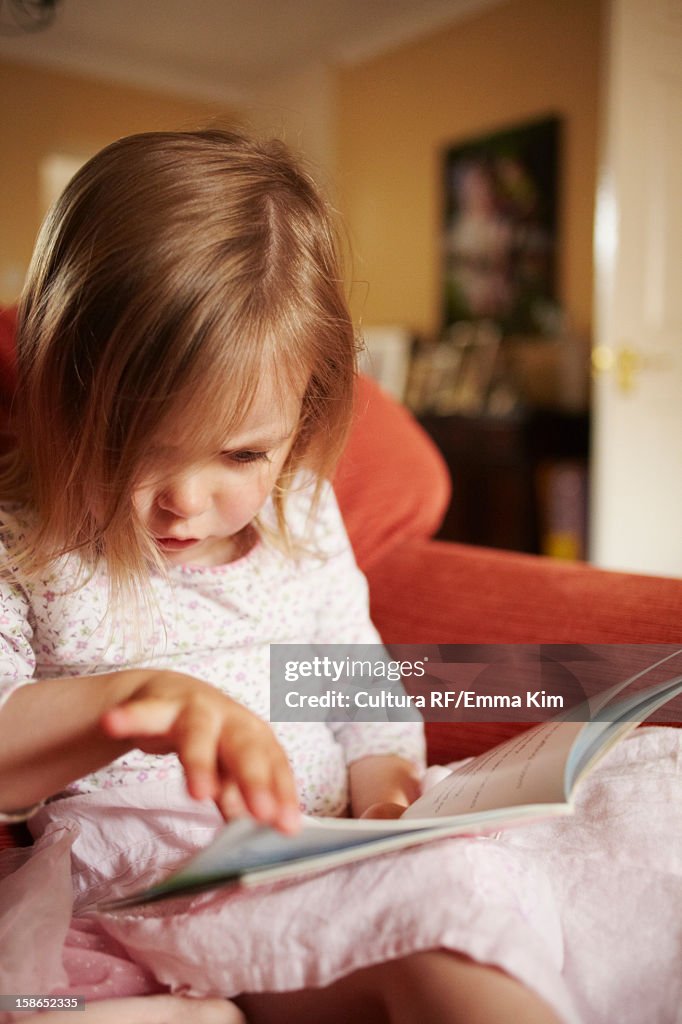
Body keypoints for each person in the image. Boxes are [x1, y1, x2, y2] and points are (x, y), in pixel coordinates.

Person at [0, 129, 679, 1024]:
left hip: (339, 840)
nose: (185, 503)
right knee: (445, 939)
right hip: (171, 880)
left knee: (645, 795)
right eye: (132, 449)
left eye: (241, 453)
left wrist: (391, 791)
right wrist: (141, 702)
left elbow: (356, 687)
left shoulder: (303, 517)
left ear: (305, 415)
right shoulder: (27, 546)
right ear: (56, 390)